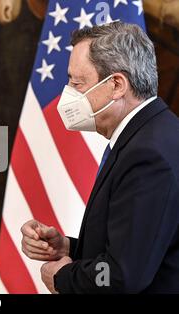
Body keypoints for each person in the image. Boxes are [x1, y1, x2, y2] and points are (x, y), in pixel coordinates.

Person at [21, 22, 179, 293]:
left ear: (117, 84)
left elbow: (122, 275)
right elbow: (140, 246)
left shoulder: (147, 156)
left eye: (76, 82)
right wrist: (69, 246)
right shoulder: (155, 133)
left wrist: (64, 277)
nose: (67, 93)